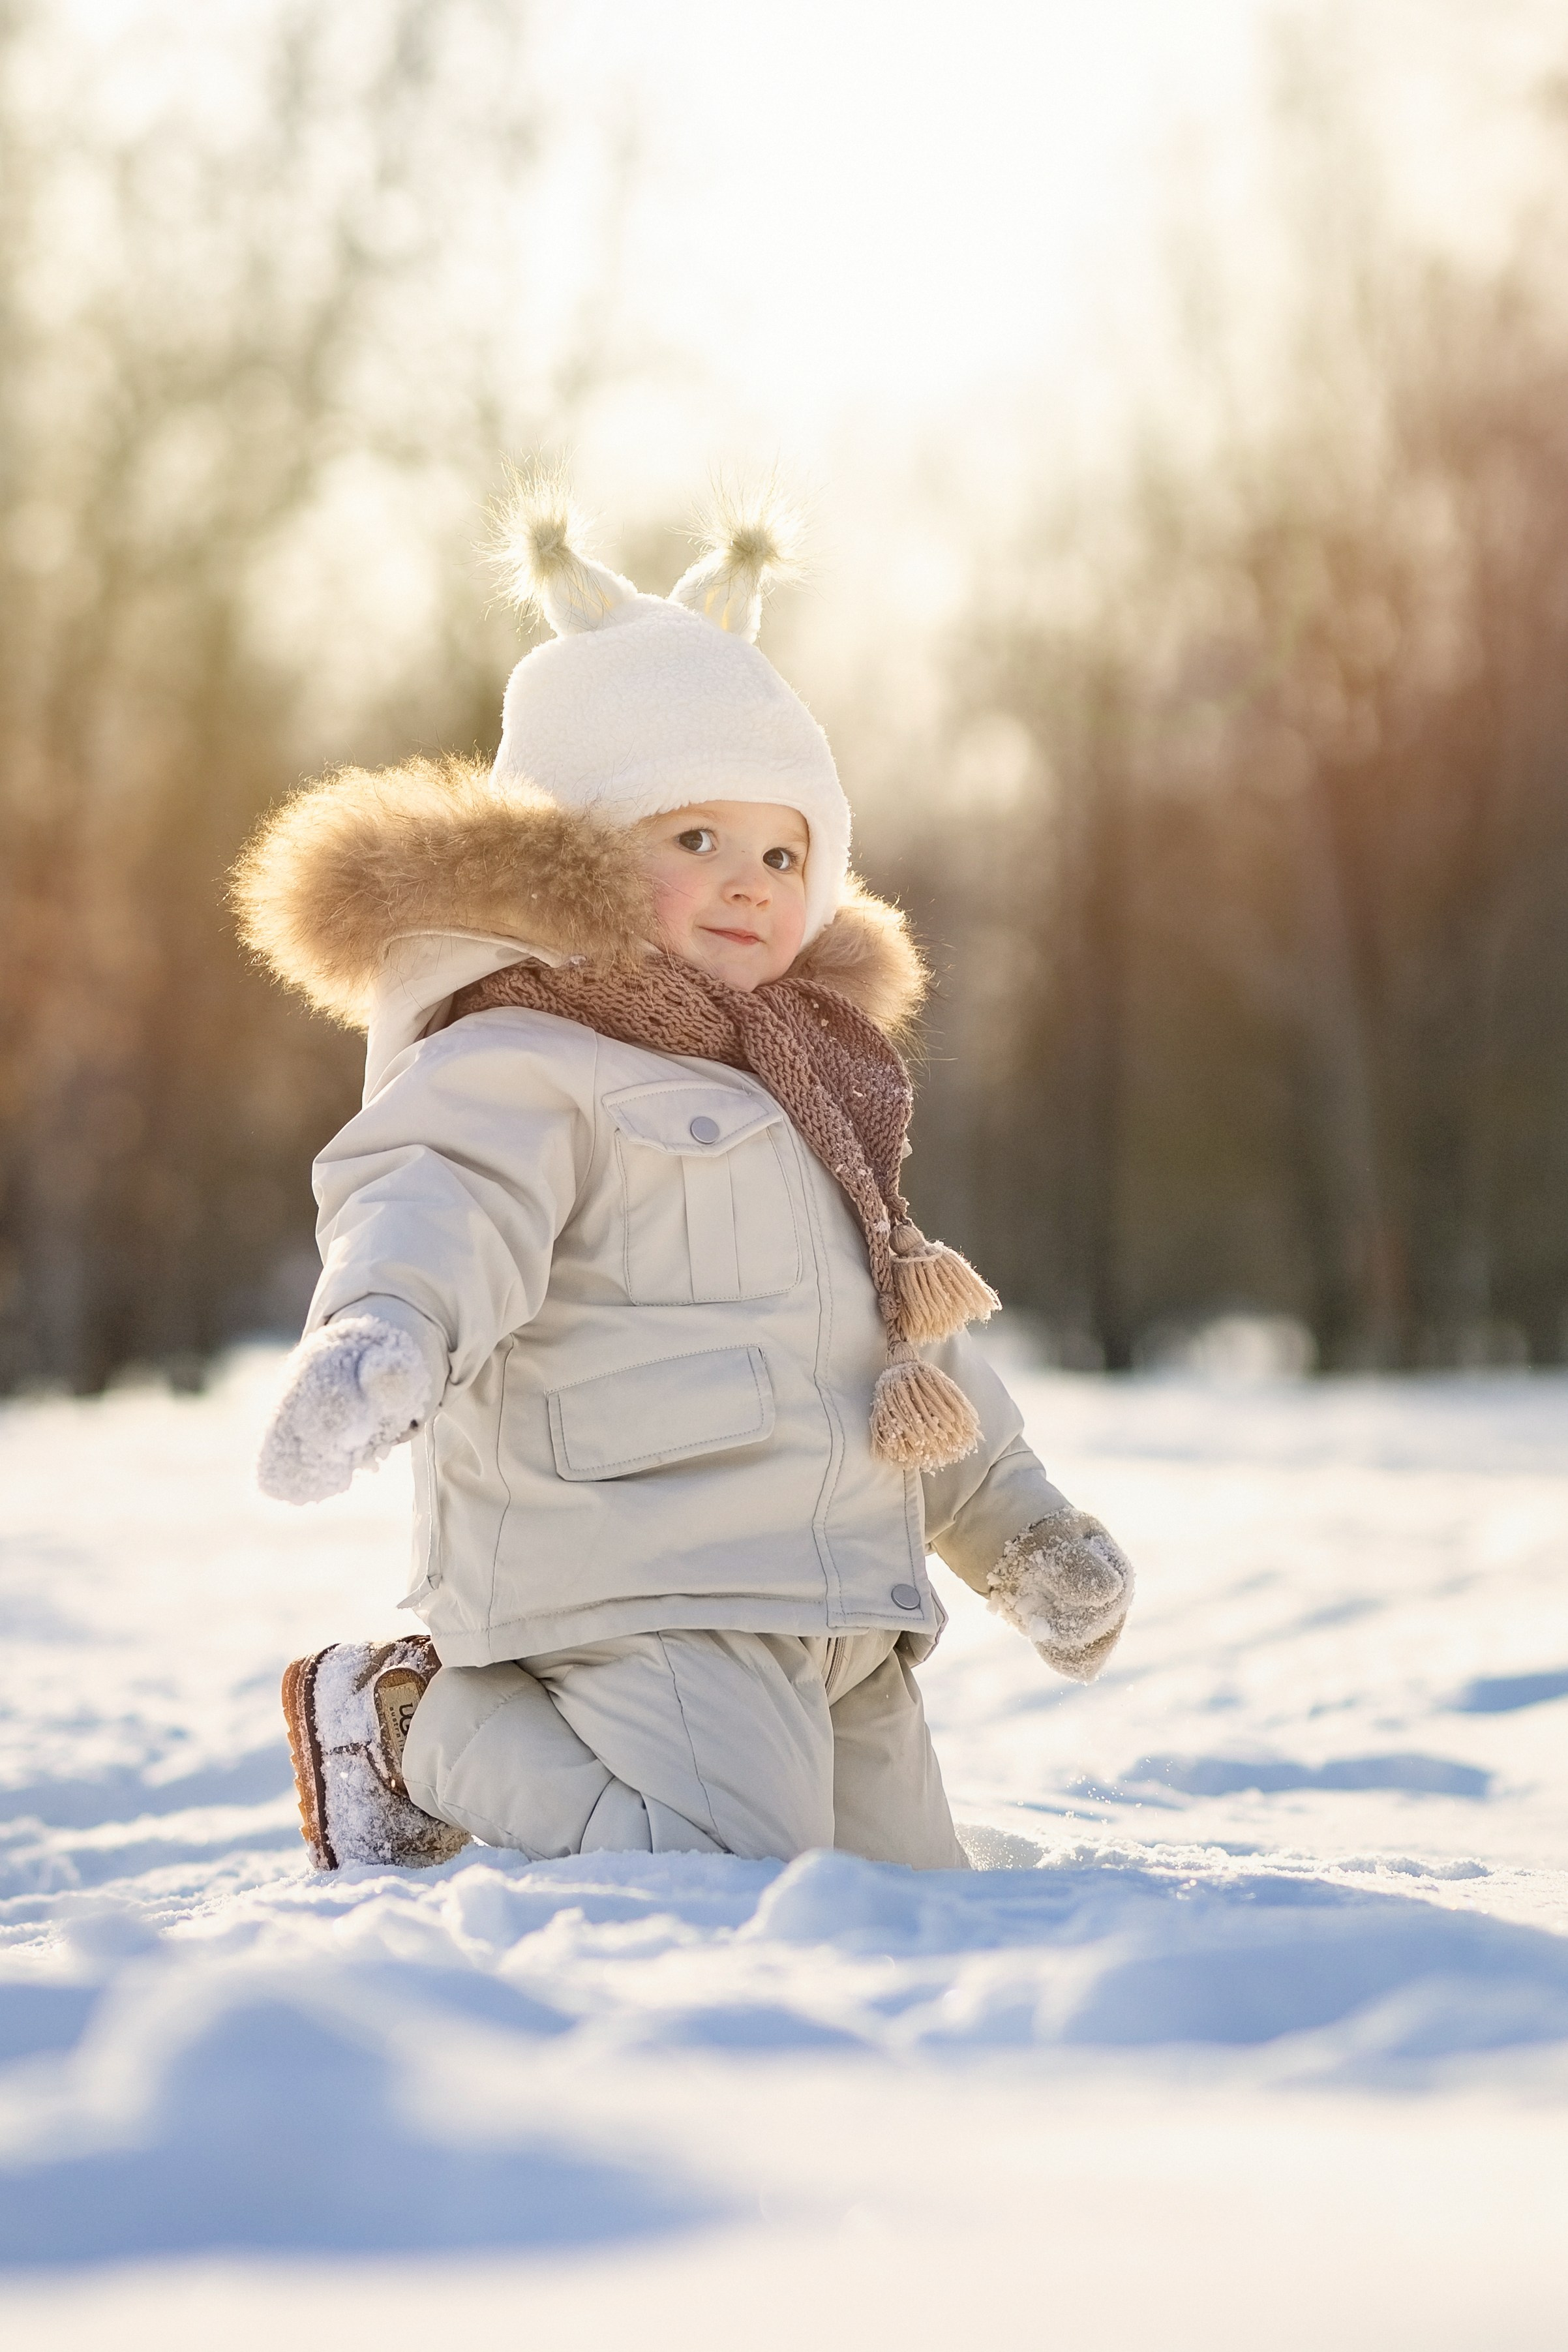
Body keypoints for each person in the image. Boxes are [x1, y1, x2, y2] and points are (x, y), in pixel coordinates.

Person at [234, 479, 1134, 1876]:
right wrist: (384, 1335)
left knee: (912, 1894)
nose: (749, 881)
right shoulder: (522, 1050)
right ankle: (410, 1723)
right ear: (578, 857)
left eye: (783, 850)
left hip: (836, 1596)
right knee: (719, 1867)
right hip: (631, 1575)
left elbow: (897, 1347)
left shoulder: (816, 1087)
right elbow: (434, 1198)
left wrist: (1024, 1533)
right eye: (693, 838)